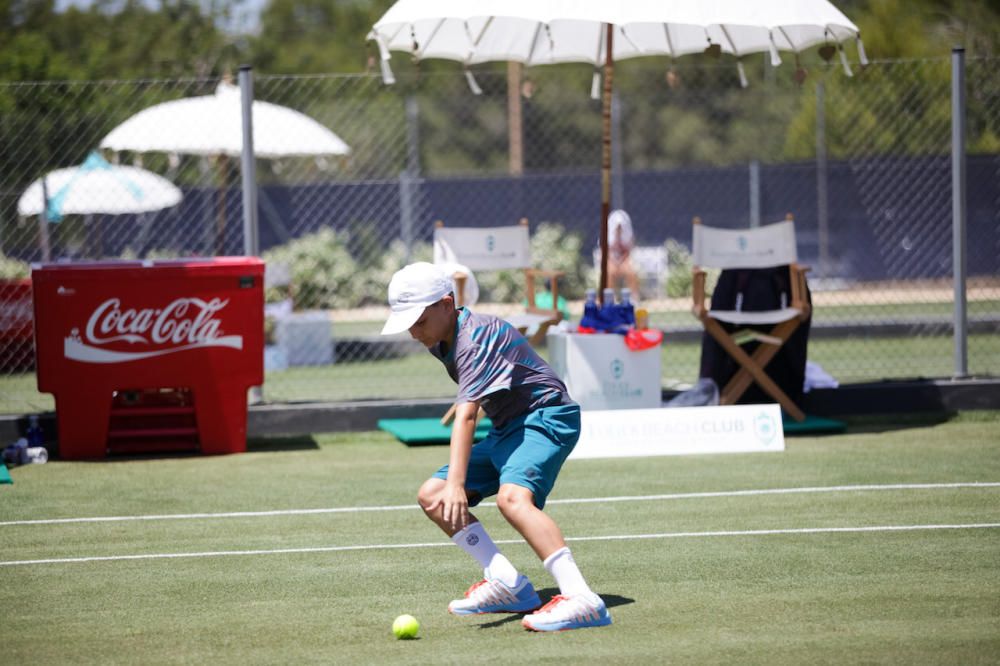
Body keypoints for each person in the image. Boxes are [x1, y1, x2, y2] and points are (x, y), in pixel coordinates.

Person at [380, 262, 612, 632]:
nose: (412, 332)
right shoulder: (441, 338)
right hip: (509, 427)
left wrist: (459, 482)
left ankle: (582, 598)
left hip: (547, 417)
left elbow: (468, 417)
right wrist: (450, 485)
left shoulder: (473, 338)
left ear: (445, 303)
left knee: (512, 499)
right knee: (433, 494)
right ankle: (508, 584)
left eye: (419, 321)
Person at [606, 209, 641, 297]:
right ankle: (610, 298)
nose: (619, 228)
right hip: (611, 260)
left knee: (631, 272)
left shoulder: (627, 236)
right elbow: (607, 252)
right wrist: (614, 263)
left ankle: (634, 297)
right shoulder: (608, 236)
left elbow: (628, 252)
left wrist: (621, 263)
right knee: (609, 273)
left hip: (624, 260)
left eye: (620, 226)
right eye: (617, 226)